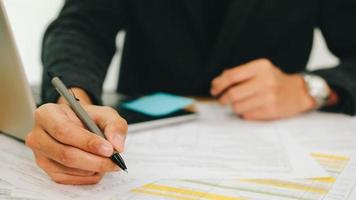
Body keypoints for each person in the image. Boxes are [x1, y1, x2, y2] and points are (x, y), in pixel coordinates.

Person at [26, 0, 356, 185]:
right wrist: (74, 102)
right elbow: (82, 24)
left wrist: (313, 88)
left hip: (271, 135)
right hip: (143, 130)